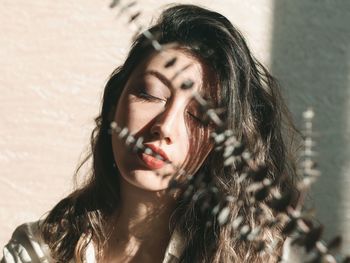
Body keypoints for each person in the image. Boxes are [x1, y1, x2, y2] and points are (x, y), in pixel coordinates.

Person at [1, 4, 301, 263]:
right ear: (114, 102)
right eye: (150, 94)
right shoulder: (38, 250)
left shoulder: (259, 256)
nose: (165, 126)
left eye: (199, 115)